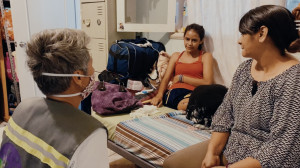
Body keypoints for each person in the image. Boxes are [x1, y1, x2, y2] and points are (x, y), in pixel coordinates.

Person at [163, 5, 300, 168]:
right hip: (231, 148)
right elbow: (225, 114)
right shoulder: (244, 69)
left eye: (243, 33)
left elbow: (283, 148)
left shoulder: (293, 79)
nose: (239, 40)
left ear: (262, 33)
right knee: (173, 163)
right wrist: (212, 153)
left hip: (262, 160)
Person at [0, 29, 109, 168]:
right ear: (78, 78)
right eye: (91, 64)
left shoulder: (23, 107)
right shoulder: (89, 135)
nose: (94, 72)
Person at [151, 23, 214, 111]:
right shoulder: (176, 56)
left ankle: (192, 110)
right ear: (183, 38)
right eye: (187, 39)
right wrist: (159, 96)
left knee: (193, 103)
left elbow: (208, 82)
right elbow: (166, 79)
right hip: (174, 92)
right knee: (186, 105)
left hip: (193, 94)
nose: (190, 43)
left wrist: (181, 78)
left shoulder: (206, 56)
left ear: (201, 41)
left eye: (194, 40)